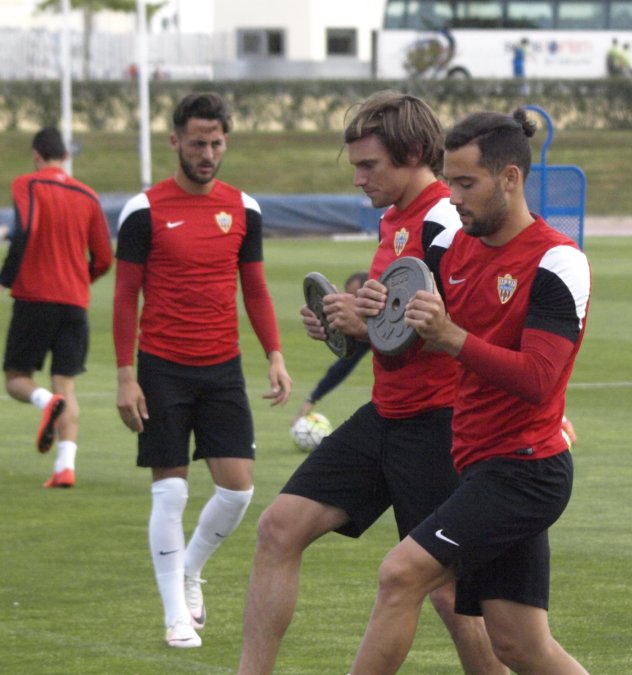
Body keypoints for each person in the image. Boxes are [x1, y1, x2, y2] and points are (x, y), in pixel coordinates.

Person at [237, 91, 506, 674]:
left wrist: (370, 324)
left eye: (369, 165)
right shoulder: (394, 219)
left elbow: (458, 326)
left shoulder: (443, 219)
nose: (358, 177)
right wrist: (345, 326)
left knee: (445, 591)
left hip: (437, 424)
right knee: (278, 529)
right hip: (386, 413)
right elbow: (390, 326)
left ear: (412, 153)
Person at [350, 108, 591, 674]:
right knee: (520, 647)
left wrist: (453, 337)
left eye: (465, 183)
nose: (451, 196)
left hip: (526, 470)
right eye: (449, 181)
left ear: (510, 178)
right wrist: (368, 321)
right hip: (479, 461)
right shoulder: (451, 248)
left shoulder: (557, 260)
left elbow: (538, 379)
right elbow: (407, 346)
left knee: (400, 574)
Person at [113, 92, 293, 649]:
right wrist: (126, 375)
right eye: (197, 143)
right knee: (170, 495)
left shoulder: (245, 209)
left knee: (238, 492)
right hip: (162, 367)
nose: (208, 153)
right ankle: (174, 614)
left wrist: (275, 354)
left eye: (217, 143)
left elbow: (255, 288)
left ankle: (190, 569)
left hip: (223, 368)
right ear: (176, 142)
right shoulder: (143, 210)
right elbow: (125, 297)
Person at [2, 126, 113, 488]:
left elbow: (26, 230)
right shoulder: (88, 195)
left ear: (36, 155)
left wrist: (6, 278)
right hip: (74, 304)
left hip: (35, 297)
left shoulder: (28, 184)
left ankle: (46, 402)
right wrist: (81, 279)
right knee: (68, 387)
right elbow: (104, 257)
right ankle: (65, 467)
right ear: (65, 155)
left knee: (16, 379)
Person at [292, 271, 370, 423]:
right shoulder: (361, 329)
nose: (348, 307)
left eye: (354, 300)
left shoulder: (384, 321)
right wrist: (313, 398)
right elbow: (343, 366)